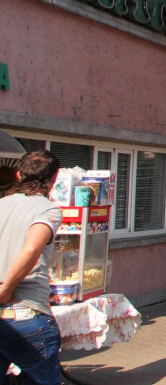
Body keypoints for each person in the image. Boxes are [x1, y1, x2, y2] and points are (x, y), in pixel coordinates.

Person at [0, 150, 63, 385]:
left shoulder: (1, 205)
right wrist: (6, 289)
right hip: (26, 314)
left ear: (18, 175)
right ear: (53, 179)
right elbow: (31, 249)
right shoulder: (47, 209)